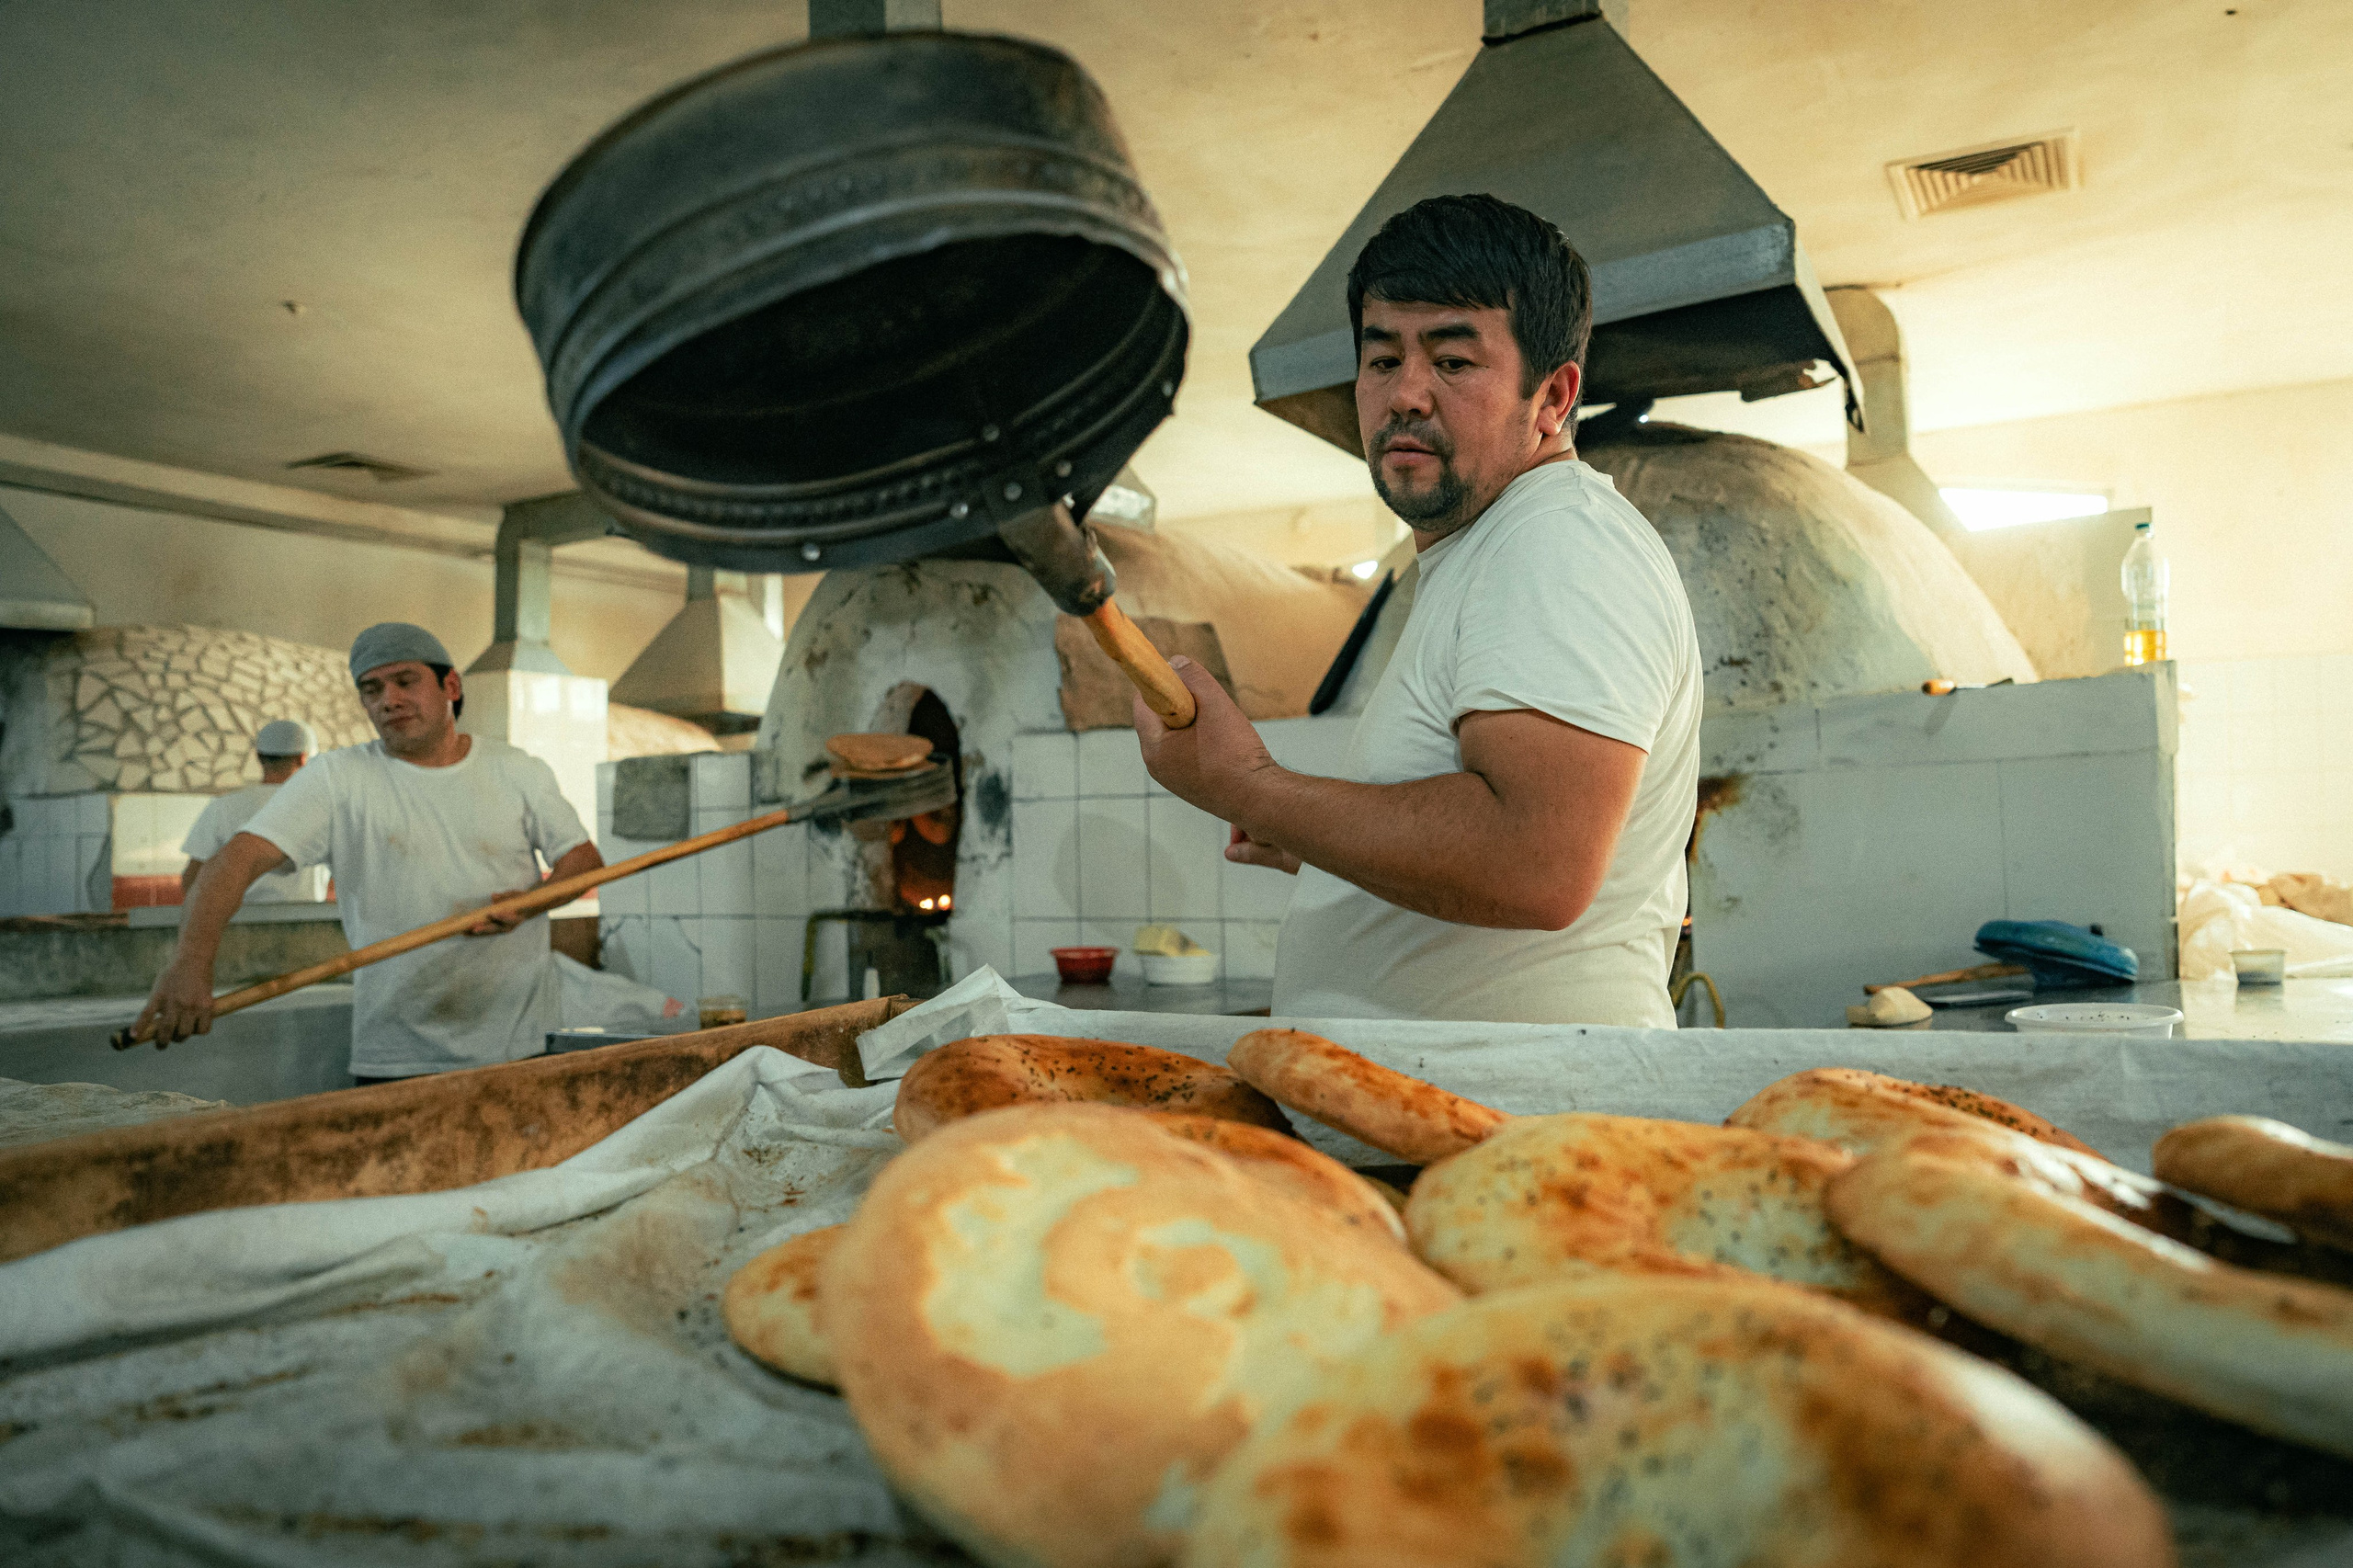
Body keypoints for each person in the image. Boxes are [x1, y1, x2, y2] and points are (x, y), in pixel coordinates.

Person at [1133, 195, 1701, 1027]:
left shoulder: (1556, 544)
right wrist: (1317, 839)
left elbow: (1535, 863)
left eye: (1453, 362)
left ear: (1552, 397)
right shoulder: (1484, 554)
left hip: (1525, 1130)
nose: (1405, 395)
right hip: (1463, 1124)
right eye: (1381, 359)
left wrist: (1249, 786)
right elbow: (1477, 836)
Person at [136, 623, 604, 1080]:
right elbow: (233, 862)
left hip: (521, 1048)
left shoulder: (518, 770)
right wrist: (190, 965)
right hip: (399, 1055)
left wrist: (528, 903)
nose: (389, 700)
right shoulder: (337, 778)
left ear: (451, 685)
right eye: (371, 689)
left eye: (405, 681)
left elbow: (582, 863)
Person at [178, 719, 330, 904]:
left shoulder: (223, 807)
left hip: (241, 925)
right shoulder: (324, 809)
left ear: (259, 757)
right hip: (310, 926)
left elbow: (192, 881)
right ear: (303, 758)